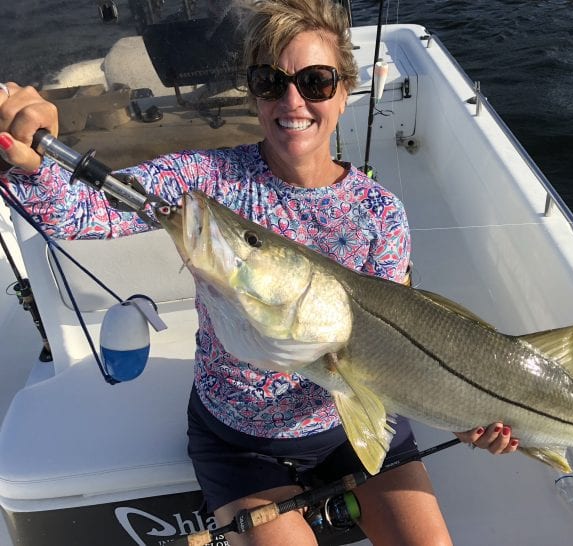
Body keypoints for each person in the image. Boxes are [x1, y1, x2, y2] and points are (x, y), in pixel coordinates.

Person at [0, 1, 518, 544]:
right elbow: (84, 213)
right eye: (270, 81)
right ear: (253, 93)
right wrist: (29, 161)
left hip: (353, 426)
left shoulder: (379, 213)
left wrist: (465, 413)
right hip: (241, 440)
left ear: (345, 92)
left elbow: (397, 347)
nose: (292, 100)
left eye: (316, 82)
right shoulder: (210, 182)